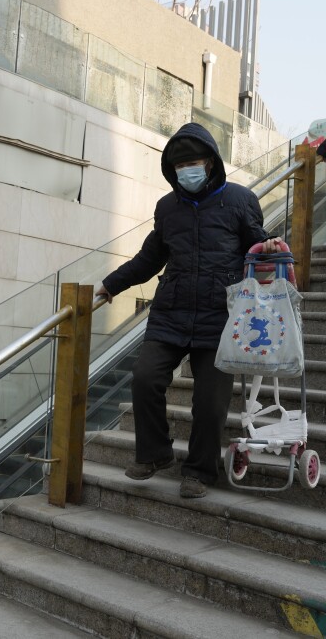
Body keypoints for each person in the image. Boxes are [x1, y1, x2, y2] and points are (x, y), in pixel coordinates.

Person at [95, 122, 283, 499]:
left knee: (210, 403)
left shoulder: (240, 200)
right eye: (180, 166)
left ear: (210, 163)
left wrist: (273, 245)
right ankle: (155, 454)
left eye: (193, 163)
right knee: (145, 377)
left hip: (220, 316)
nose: (187, 171)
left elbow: (257, 241)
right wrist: (110, 284)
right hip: (171, 312)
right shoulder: (167, 207)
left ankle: (199, 471)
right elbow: (150, 257)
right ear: (172, 170)